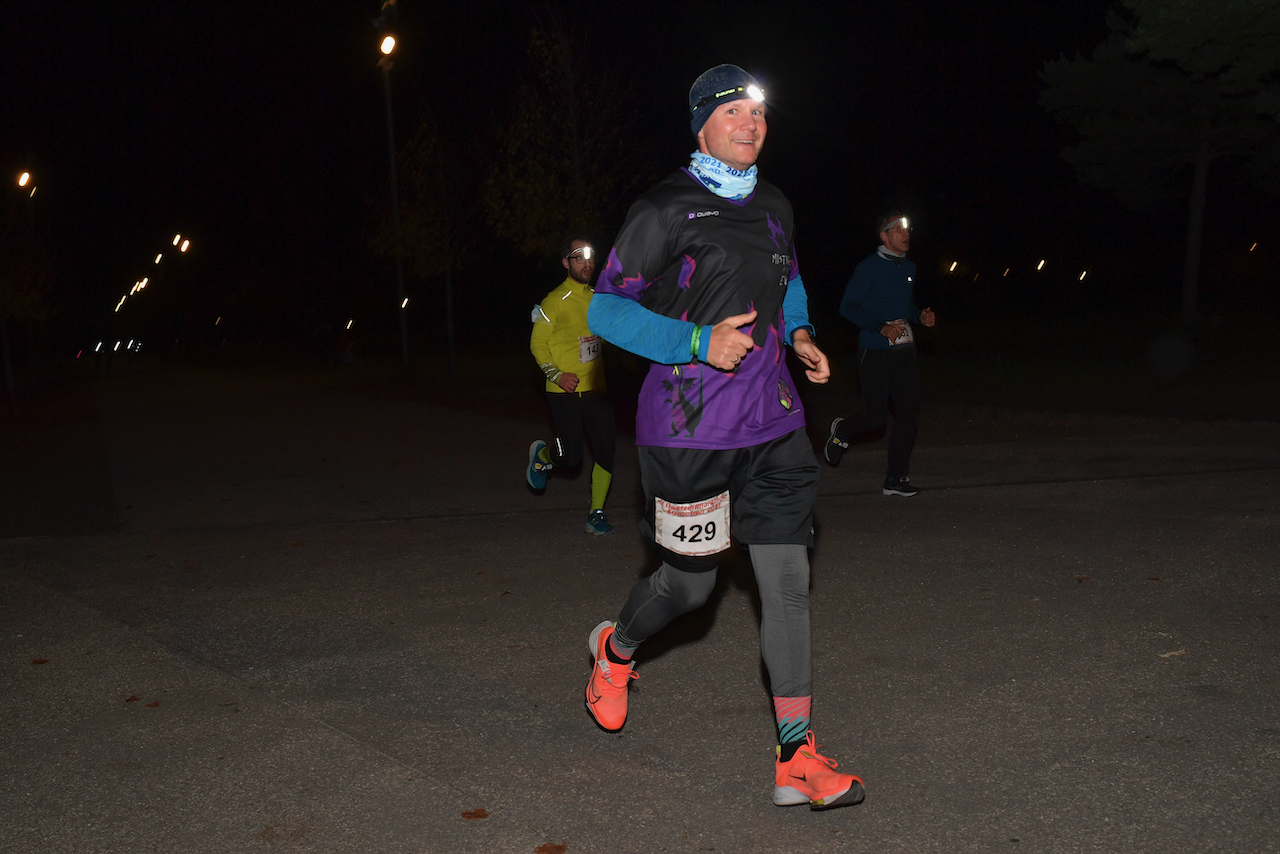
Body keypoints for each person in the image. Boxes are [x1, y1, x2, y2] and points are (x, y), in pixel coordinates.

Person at [582, 64, 864, 812]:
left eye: (760, 112)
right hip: (688, 431)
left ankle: (795, 756)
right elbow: (605, 313)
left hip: (774, 423)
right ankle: (615, 651)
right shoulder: (664, 207)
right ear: (701, 123)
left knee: (788, 582)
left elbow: (789, 277)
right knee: (691, 587)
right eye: (734, 110)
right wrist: (698, 341)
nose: (751, 123)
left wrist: (799, 330)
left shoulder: (775, 204)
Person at [823, 213, 937, 496]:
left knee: (908, 413)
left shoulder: (909, 266)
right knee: (874, 419)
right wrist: (880, 327)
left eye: (906, 229)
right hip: (874, 350)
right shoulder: (869, 268)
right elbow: (848, 307)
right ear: (884, 237)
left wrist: (918, 316)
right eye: (896, 229)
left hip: (905, 352)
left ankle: (895, 480)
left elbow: (904, 306)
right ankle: (842, 433)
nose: (904, 233)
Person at [526, 236, 618, 536]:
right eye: (579, 257)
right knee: (570, 458)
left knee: (605, 450)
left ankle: (596, 513)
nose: (587, 263)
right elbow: (537, 344)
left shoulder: (599, 297)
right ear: (566, 262)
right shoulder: (554, 300)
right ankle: (541, 457)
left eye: (590, 257)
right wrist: (557, 375)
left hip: (596, 390)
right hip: (564, 392)